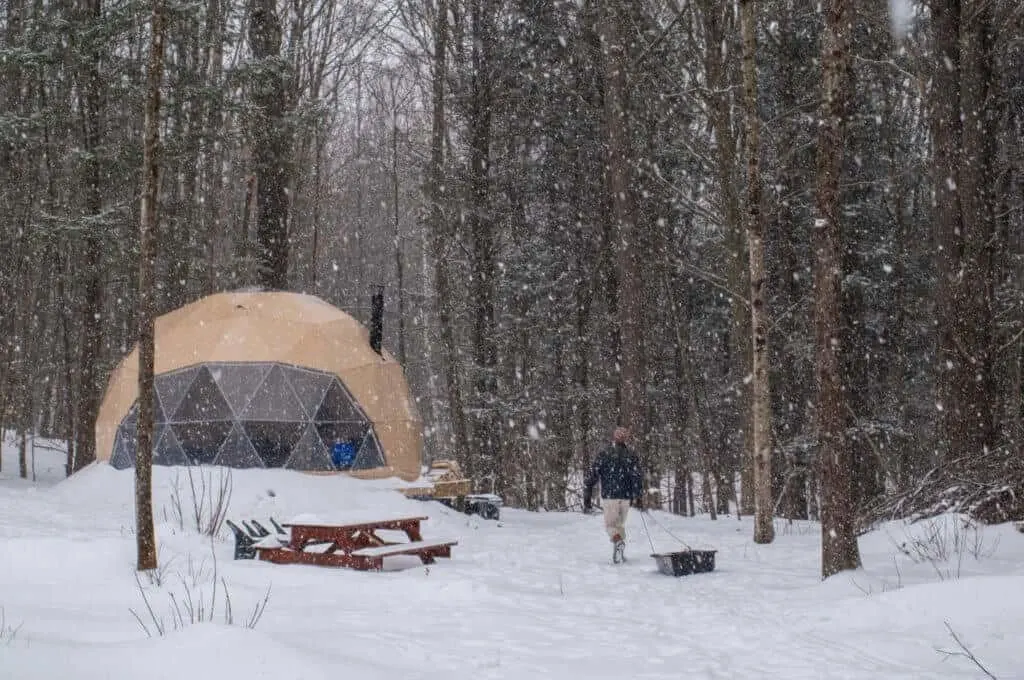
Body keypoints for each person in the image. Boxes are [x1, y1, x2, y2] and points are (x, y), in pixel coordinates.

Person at [583, 426, 644, 563]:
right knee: (619, 525)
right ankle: (619, 554)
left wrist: (587, 494)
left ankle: (618, 544)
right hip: (626, 497)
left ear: (614, 438)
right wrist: (638, 496)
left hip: (610, 496)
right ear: (625, 439)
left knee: (611, 526)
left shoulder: (604, 454)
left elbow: (593, 475)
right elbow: (637, 476)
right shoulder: (631, 455)